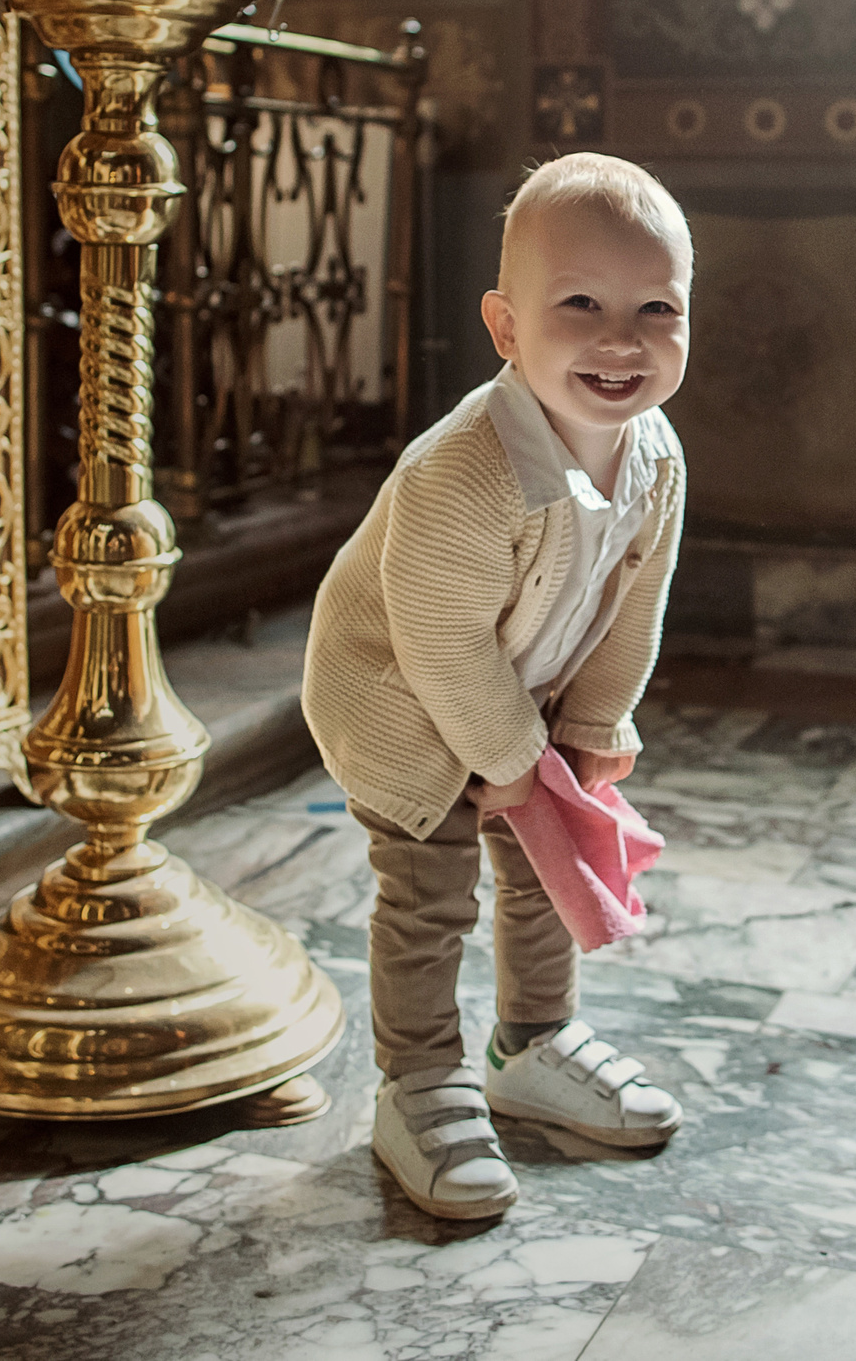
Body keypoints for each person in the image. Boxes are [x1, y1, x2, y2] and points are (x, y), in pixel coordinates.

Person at [301, 152, 694, 1220]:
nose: (621, 340)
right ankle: (419, 1082)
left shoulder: (654, 455)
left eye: (655, 308)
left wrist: (596, 722)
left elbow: (634, 599)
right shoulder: (462, 472)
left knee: (543, 872)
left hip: (527, 686)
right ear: (506, 327)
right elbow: (434, 641)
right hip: (399, 699)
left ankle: (535, 1042)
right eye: (580, 305)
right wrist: (514, 763)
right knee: (429, 895)